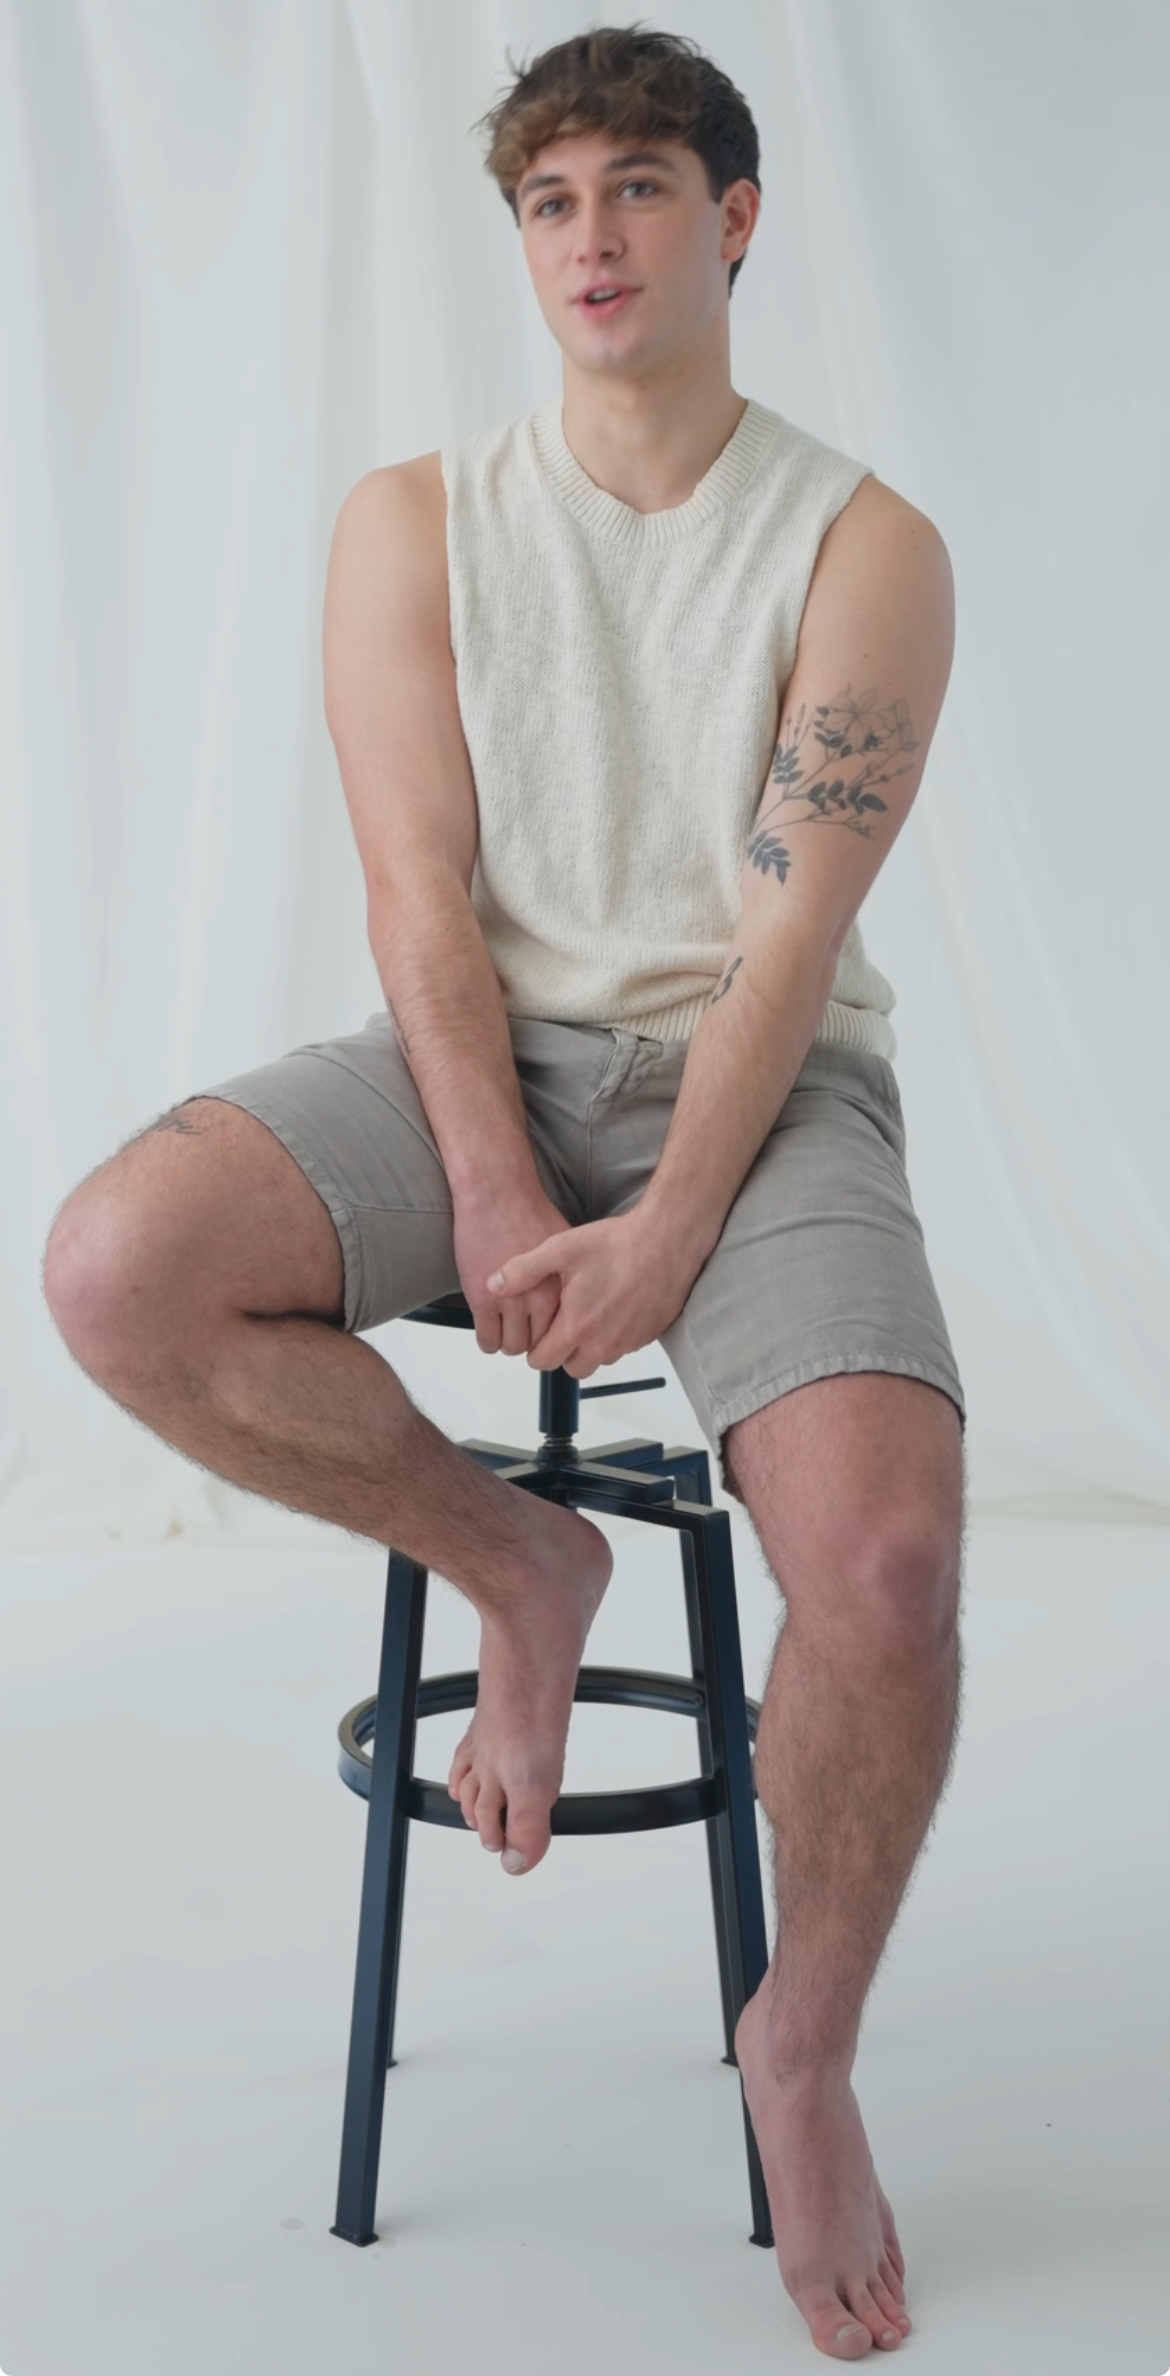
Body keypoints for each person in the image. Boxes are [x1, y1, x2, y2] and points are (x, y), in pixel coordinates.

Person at [42, 23, 967, 2365]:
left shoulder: (864, 543)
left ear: (731, 220)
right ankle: (516, 1561)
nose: (591, 237)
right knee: (119, 1267)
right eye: (550, 200)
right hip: (481, 1058)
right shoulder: (415, 520)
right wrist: (482, 1178)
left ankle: (801, 2044)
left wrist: (666, 1230)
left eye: (638, 186)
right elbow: (415, 891)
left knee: (885, 1564)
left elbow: (789, 945)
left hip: (762, 1089)